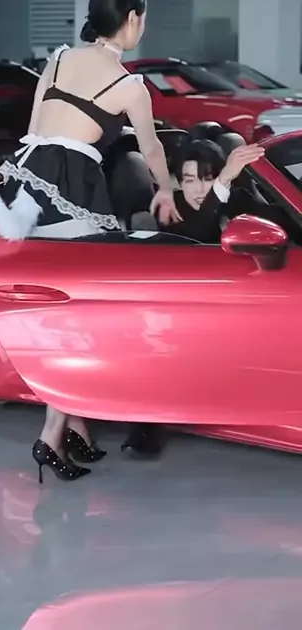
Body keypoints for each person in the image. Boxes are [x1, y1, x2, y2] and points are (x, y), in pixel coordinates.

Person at [0, 0, 180, 484]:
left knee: (58, 316)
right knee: (80, 323)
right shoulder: (128, 84)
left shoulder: (57, 59)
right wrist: (165, 189)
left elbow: (34, 129)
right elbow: (152, 148)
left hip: (26, 182)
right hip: (72, 186)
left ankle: (77, 430)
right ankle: (51, 437)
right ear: (132, 19)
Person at [121, 137, 268, 459]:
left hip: (248, 302)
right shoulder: (170, 209)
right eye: (189, 180)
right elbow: (198, 237)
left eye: (208, 178)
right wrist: (222, 182)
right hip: (190, 308)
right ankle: (149, 425)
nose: (199, 189)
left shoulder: (239, 200)